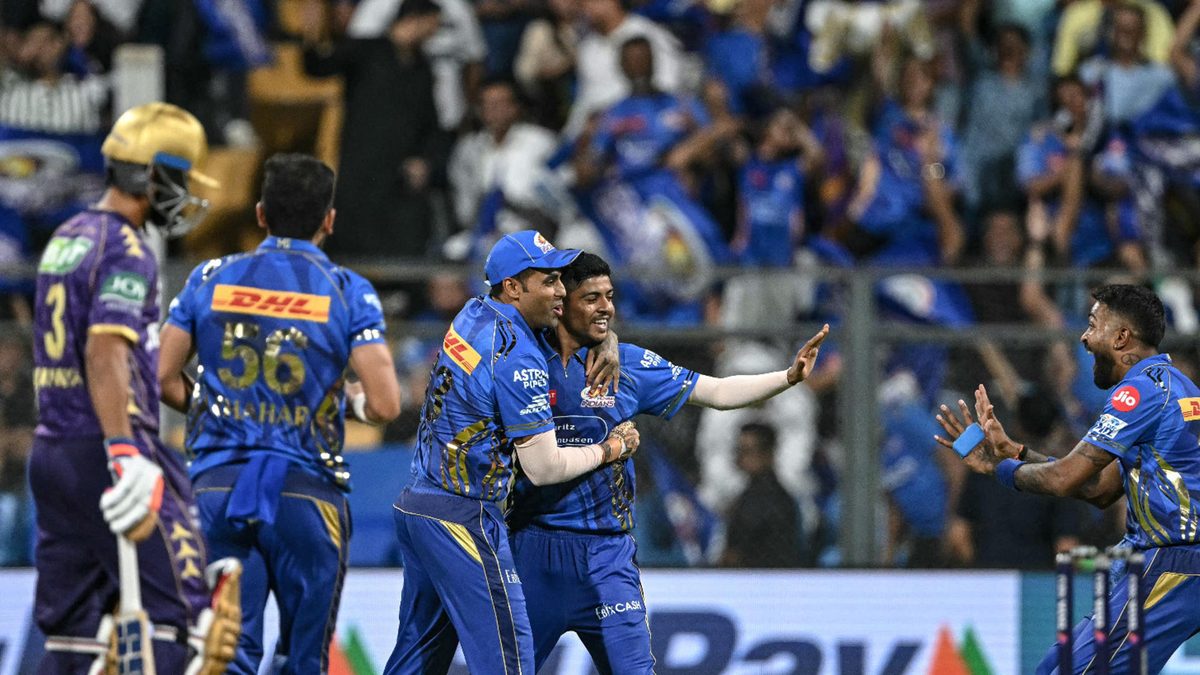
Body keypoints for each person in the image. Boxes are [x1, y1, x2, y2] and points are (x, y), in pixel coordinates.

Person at [507, 252, 828, 673]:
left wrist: (786, 377)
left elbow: (716, 391)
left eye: (610, 296)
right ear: (561, 303)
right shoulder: (522, 361)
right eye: (591, 298)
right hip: (533, 547)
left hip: (606, 553)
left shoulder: (631, 367)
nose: (606, 307)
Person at [157, 153, 402, 673]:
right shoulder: (347, 290)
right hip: (305, 497)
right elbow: (384, 403)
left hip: (215, 491)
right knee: (302, 660)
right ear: (329, 220)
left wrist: (215, 403)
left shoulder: (209, 276)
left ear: (261, 213)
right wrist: (346, 401)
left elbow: (158, 375)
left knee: (222, 657)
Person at [28, 102, 239, 673]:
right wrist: (124, 449)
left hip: (52, 451)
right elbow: (105, 351)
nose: (185, 191)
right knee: (194, 626)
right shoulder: (126, 249)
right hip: (111, 452)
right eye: (178, 175)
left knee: (73, 640)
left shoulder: (66, 236)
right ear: (151, 175)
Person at [385, 230, 636, 675]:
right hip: (465, 516)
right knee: (508, 659)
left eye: (562, 280)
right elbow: (543, 467)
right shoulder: (518, 356)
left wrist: (606, 339)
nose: (562, 291)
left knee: (417, 658)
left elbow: (563, 328)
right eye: (549, 281)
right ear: (513, 287)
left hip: (418, 504)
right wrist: (610, 448)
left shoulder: (473, 313)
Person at [936, 284, 1200, 673]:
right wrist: (1017, 453)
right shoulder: (1177, 386)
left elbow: (1064, 478)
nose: (1084, 336)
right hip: (1171, 564)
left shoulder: (1140, 392)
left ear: (1121, 337)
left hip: (1169, 562)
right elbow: (1100, 488)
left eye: (1093, 324)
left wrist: (998, 468)